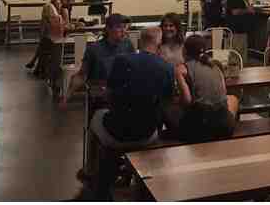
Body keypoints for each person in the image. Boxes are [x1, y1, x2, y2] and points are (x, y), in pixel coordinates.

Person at [90, 27, 176, 199]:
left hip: (118, 132)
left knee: (96, 117)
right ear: (159, 45)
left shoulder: (122, 60)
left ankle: (93, 170)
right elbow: (167, 102)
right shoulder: (167, 67)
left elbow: (109, 94)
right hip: (148, 132)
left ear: (139, 41)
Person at [60, 13, 136, 106]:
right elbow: (81, 75)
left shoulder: (127, 45)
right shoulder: (94, 49)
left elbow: (133, 69)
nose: (124, 31)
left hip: (122, 93)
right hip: (101, 95)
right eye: (119, 27)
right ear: (108, 29)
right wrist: (67, 95)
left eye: (125, 27)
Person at [175, 34, 239, 143]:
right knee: (232, 99)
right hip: (225, 127)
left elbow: (187, 101)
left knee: (169, 107)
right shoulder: (215, 65)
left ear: (184, 51)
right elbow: (224, 93)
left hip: (198, 130)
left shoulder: (181, 69)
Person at [25, 0, 68, 73]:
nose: (58, 5)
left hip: (62, 37)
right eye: (56, 4)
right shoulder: (52, 14)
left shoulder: (63, 11)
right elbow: (45, 29)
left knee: (43, 43)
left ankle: (35, 64)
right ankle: (36, 65)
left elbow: (65, 25)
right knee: (44, 42)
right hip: (55, 37)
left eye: (59, 3)